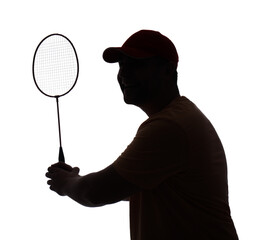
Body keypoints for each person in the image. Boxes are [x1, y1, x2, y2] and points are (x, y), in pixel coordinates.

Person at [46, 30, 239, 240]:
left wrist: (66, 184)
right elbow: (130, 185)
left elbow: (96, 192)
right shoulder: (179, 118)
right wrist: (75, 180)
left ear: (167, 70)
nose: (124, 74)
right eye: (121, 65)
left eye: (136, 64)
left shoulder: (170, 126)